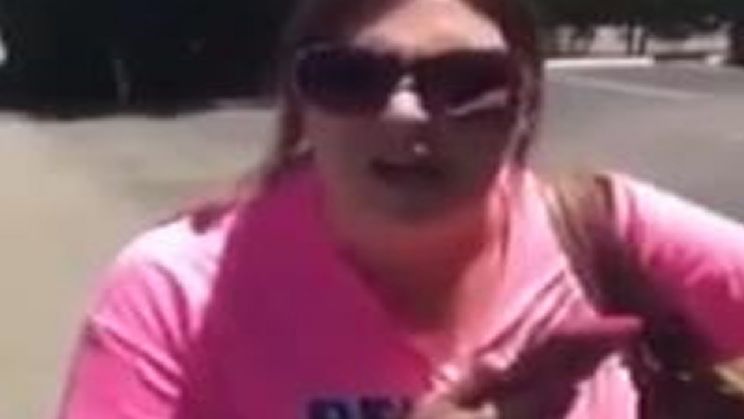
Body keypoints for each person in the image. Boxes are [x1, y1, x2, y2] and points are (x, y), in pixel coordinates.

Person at [57, 0, 744, 417]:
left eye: (467, 81)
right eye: (349, 77)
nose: (406, 115)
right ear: (302, 104)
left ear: (526, 101)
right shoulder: (176, 289)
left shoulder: (608, 228)